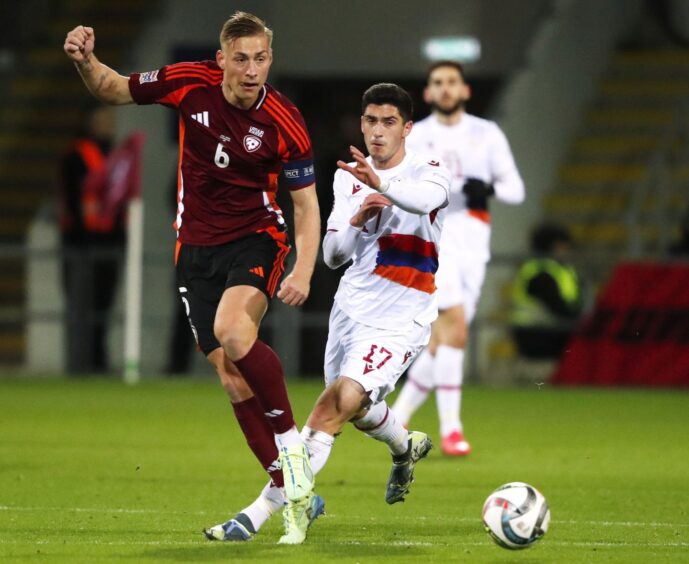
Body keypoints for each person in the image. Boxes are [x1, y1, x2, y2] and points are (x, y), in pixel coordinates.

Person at [64, 11, 322, 545]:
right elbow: (113, 89)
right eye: (242, 58)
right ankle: (292, 490)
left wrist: (302, 265)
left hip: (256, 238)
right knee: (230, 376)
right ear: (222, 58)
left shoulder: (285, 120)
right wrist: (87, 61)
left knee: (234, 330)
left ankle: (292, 445)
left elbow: (304, 206)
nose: (253, 70)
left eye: (262, 58)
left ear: (270, 59)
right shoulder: (190, 82)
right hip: (195, 250)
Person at [205, 83, 451, 543]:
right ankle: (405, 446)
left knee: (332, 406)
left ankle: (266, 513)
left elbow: (422, 201)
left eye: (389, 123)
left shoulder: (431, 170)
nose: (378, 132)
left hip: (403, 316)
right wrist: (357, 218)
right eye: (371, 122)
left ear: (408, 128)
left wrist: (384, 186)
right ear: (362, 124)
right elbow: (334, 255)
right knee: (355, 408)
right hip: (351, 309)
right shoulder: (347, 176)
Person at [392, 61, 525, 456]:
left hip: (474, 241)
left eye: (452, 82)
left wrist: (489, 187)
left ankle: (398, 415)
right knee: (455, 327)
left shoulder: (486, 133)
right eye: (437, 83)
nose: (445, 88)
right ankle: (452, 428)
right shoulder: (417, 136)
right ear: (429, 93)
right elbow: (399, 181)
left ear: (465, 90)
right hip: (435, 236)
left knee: (443, 339)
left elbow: (516, 189)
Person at [58, 105, 125, 374]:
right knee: (80, 304)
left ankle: (98, 362)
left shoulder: (117, 155)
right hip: (81, 244)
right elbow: (71, 201)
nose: (108, 125)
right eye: (102, 120)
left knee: (103, 305)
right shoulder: (75, 155)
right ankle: (78, 363)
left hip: (109, 243)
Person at [510, 222, 583, 359]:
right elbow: (557, 306)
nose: (566, 249)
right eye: (562, 245)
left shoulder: (557, 269)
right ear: (552, 246)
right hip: (538, 333)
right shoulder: (541, 272)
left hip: (542, 331)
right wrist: (580, 320)